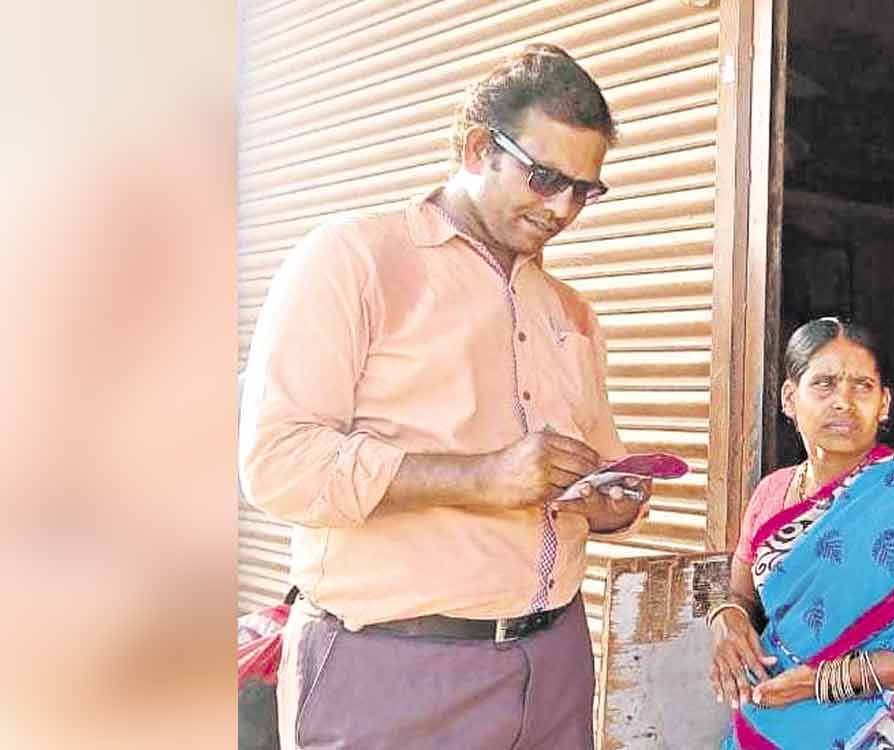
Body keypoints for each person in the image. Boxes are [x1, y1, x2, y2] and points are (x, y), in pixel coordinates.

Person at [238, 44, 651, 750]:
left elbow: (602, 460)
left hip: (554, 660)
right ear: (477, 148)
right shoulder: (353, 260)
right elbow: (278, 463)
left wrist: (612, 503)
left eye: (585, 189)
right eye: (546, 177)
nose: (563, 208)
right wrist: (482, 479)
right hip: (394, 668)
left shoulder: (570, 311)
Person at [707, 317, 894, 750]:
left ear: (884, 403)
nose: (843, 401)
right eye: (824, 384)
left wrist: (823, 681)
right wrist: (726, 620)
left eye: (862, 386)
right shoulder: (770, 494)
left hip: (882, 728)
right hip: (773, 719)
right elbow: (742, 596)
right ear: (790, 398)